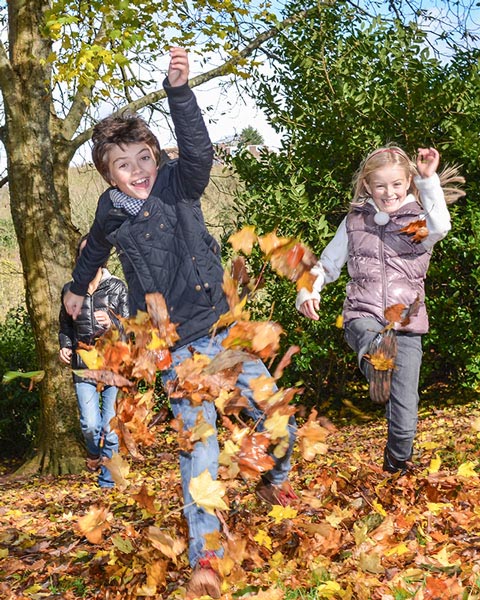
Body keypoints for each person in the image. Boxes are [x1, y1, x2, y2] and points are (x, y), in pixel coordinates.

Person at [62, 47, 297, 599]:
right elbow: (93, 250)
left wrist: (179, 93)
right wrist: (76, 288)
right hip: (178, 350)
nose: (138, 171)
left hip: (225, 333)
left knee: (276, 414)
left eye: (144, 157)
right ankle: (207, 558)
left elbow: (198, 150)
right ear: (108, 175)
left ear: (156, 155)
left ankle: (272, 476)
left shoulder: (178, 182)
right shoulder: (111, 211)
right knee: (201, 451)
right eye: (124, 165)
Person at [296, 145, 464, 476]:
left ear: (408, 183)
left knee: (404, 417)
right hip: (364, 314)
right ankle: (376, 359)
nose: (389, 192)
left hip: (407, 323)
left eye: (396, 184)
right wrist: (307, 289)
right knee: (369, 335)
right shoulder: (356, 222)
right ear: (367, 186)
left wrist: (429, 180)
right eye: (380, 186)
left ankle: (396, 467)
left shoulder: (415, 226)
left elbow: (440, 227)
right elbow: (328, 263)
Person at [59, 234, 129, 489]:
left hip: (113, 366)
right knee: (90, 425)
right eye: (83, 253)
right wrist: (65, 346)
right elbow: (65, 326)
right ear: (78, 258)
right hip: (83, 367)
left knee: (110, 427)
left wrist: (113, 324)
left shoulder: (118, 287)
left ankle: (107, 483)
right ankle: (93, 452)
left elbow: (132, 327)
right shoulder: (69, 290)